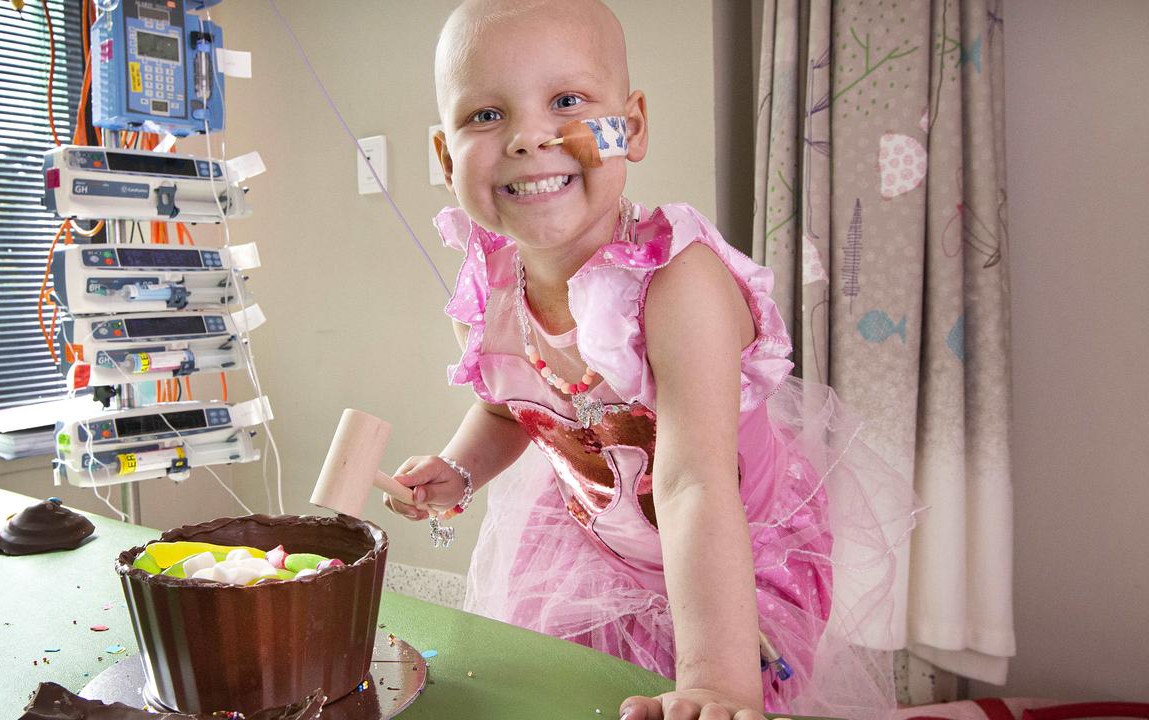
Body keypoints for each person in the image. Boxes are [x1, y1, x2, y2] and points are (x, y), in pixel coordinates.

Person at [385, 1, 917, 718]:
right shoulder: (490, 289)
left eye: (566, 101)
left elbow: (698, 483)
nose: (528, 137)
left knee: (709, 700)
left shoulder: (676, 283)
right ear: (447, 157)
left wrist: (717, 683)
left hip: (731, 539)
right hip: (596, 537)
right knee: (578, 692)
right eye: (485, 116)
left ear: (629, 128)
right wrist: (460, 469)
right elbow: (507, 405)